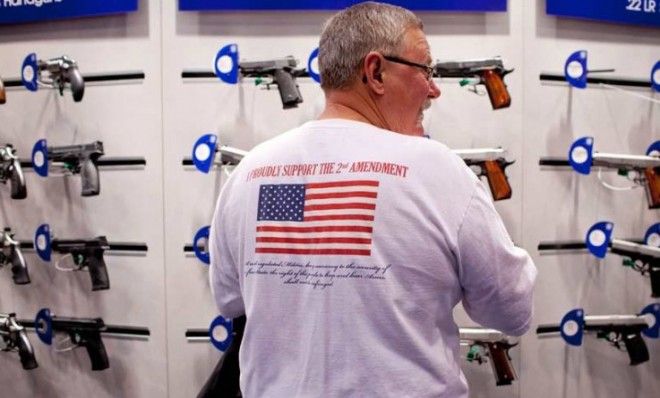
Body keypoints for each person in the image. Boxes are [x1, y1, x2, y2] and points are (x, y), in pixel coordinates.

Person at [209, 2, 537, 397]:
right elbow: (511, 310)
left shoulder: (250, 171)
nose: (435, 88)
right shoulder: (437, 170)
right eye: (425, 70)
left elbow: (229, 301)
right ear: (376, 71)